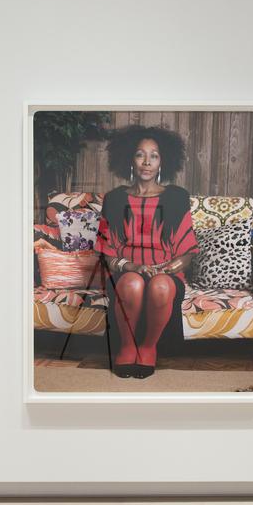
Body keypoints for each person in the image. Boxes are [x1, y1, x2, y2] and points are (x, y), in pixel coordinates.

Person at [94, 126, 199, 379]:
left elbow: (188, 252)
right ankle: (128, 345)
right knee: (132, 284)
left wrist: (165, 269)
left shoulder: (176, 197)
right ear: (130, 158)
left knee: (160, 286)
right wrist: (133, 267)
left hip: (166, 273)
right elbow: (106, 252)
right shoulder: (115, 199)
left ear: (163, 161)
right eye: (141, 155)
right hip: (125, 273)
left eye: (154, 156)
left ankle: (148, 346)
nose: (147, 162)